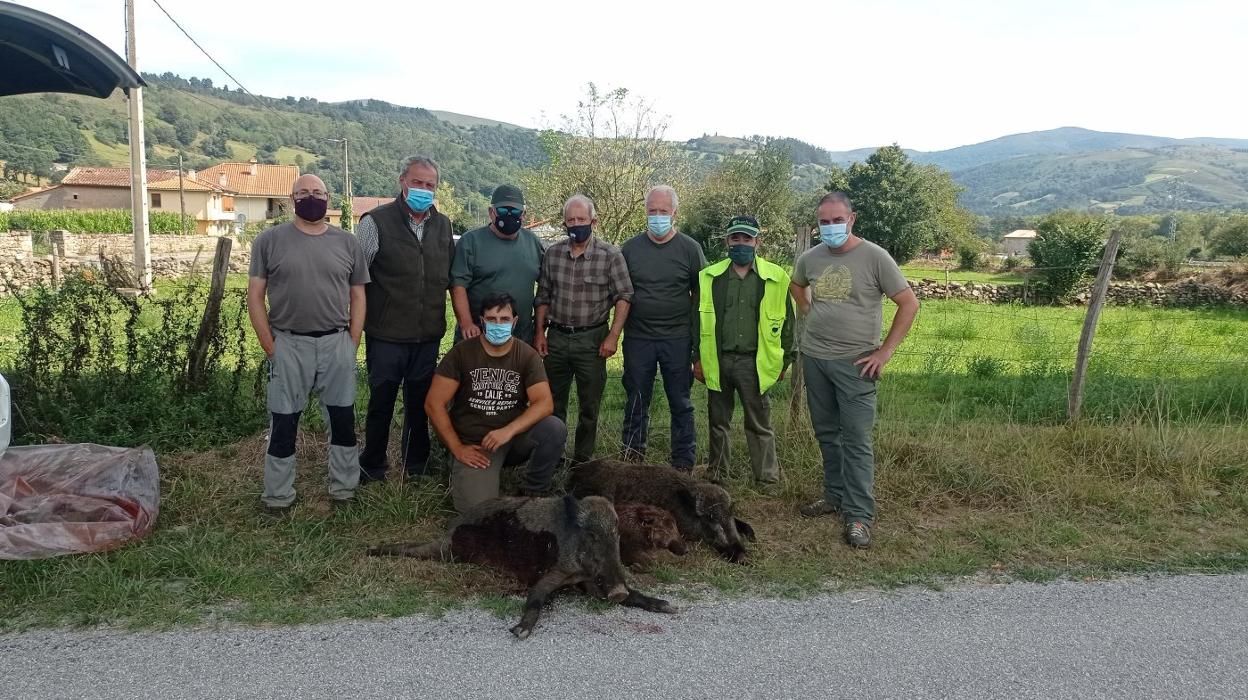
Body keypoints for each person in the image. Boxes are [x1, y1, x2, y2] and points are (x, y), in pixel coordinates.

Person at [791, 192, 920, 548]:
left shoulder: (875, 257)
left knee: (857, 440)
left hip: (857, 364)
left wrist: (884, 353)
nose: (830, 227)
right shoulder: (810, 258)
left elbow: (909, 304)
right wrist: (810, 313)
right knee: (826, 433)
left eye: (837, 220)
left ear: (852, 219)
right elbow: (797, 286)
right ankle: (834, 497)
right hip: (815, 359)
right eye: (824, 221)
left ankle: (860, 514)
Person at [247, 174, 369, 513]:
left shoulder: (347, 243)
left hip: (336, 344)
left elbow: (358, 294)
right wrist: (270, 347)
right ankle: (277, 496)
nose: (311, 198)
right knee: (284, 422)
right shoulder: (269, 241)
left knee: (343, 419)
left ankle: (344, 490)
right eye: (303, 193)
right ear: (291, 199)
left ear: (328, 198)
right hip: (288, 344)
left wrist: (352, 341)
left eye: (317, 192)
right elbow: (255, 296)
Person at [354, 155, 455, 485]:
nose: (424, 190)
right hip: (386, 334)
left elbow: (448, 277)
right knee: (381, 402)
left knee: (420, 403)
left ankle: (417, 467)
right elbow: (355, 277)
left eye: (430, 185)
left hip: (427, 335)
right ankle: (373, 467)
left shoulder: (444, 226)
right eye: (417, 183)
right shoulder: (375, 222)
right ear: (402, 182)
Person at [424, 292, 568, 513]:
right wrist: (457, 448)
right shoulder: (462, 353)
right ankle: (466, 469)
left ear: (515, 322)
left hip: (513, 438)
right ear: (482, 321)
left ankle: (533, 491)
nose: (497, 325)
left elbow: (544, 403)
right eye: (491, 319)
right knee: (479, 513)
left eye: (504, 319)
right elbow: (434, 404)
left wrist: (508, 431)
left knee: (554, 428)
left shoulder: (526, 355)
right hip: (477, 444)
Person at [693, 215, 794, 491]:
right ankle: (717, 477)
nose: (740, 244)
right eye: (735, 238)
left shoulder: (776, 277)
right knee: (718, 422)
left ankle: (767, 480)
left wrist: (785, 359)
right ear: (727, 241)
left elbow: (788, 322)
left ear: (757, 242)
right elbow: (696, 320)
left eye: (746, 239)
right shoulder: (709, 277)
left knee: (760, 424)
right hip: (719, 360)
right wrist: (696, 358)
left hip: (754, 363)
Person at [534, 194, 633, 464]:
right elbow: (543, 295)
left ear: (594, 221)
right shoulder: (553, 254)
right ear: (564, 223)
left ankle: (583, 463)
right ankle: (552, 460)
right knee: (553, 405)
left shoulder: (611, 256)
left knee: (589, 407)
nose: (576, 224)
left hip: (592, 339)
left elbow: (624, 297)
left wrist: (613, 336)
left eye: (581, 219)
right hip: (556, 337)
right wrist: (539, 332)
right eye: (571, 220)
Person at [619, 185, 707, 470]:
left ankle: (683, 465)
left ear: (674, 213)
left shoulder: (690, 249)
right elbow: (622, 293)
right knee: (636, 401)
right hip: (638, 338)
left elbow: (700, 297)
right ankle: (632, 461)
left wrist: (697, 347)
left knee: (681, 403)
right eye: (652, 211)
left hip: (677, 338)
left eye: (663, 212)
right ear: (645, 211)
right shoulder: (630, 249)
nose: (657, 216)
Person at [450, 184, 544, 344]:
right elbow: (457, 286)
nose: (509, 215)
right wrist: (466, 323)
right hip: (477, 336)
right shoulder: (470, 242)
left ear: (524, 214)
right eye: (502, 211)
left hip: (521, 338)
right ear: (491, 212)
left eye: (515, 212)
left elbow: (545, 287)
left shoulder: (533, 242)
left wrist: (540, 331)